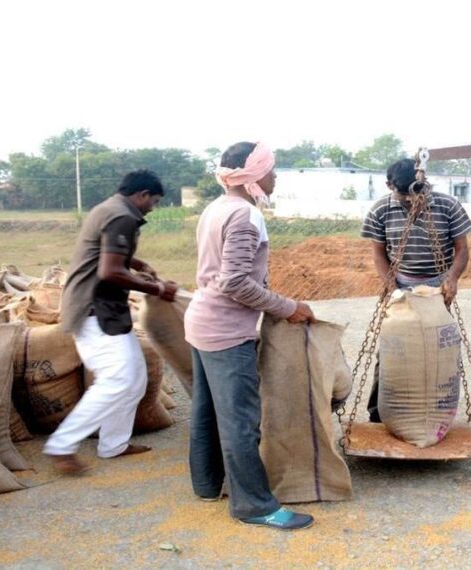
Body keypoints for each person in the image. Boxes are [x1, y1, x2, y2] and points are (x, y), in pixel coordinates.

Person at [184, 141, 315, 531]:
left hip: (202, 321)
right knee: (241, 422)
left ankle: (207, 485)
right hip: (226, 330)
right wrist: (288, 307)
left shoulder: (216, 208)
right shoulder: (245, 215)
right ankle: (254, 505)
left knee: (206, 411)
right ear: (254, 175)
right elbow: (236, 282)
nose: (275, 177)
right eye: (271, 170)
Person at [44, 170, 178, 474]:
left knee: (134, 378)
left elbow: (104, 254)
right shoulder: (122, 217)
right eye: (153, 201)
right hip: (94, 307)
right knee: (118, 379)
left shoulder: (107, 208)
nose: (152, 208)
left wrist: (138, 264)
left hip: (104, 307)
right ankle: (61, 445)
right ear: (142, 194)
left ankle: (114, 444)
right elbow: (109, 272)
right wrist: (158, 289)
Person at [360, 157, 471, 421]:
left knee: (438, 349)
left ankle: (435, 412)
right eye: (404, 196)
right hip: (400, 282)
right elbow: (378, 253)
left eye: (416, 194)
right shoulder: (380, 210)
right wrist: (390, 288)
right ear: (389, 185)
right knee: (392, 348)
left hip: (437, 285)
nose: (411, 201)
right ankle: (378, 412)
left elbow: (462, 249)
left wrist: (452, 278)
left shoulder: (447, 205)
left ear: (424, 183)